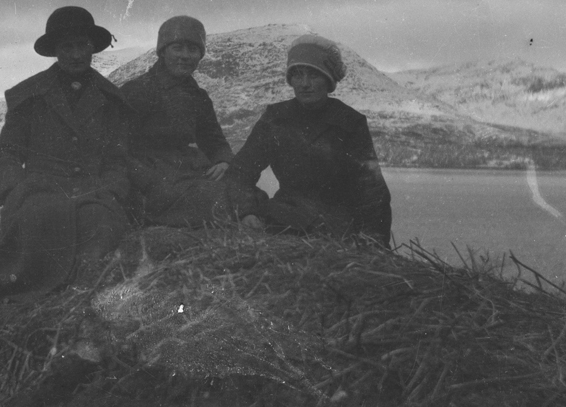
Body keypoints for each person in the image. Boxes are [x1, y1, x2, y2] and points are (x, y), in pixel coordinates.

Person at [0, 6, 131, 300]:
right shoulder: (29, 96)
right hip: (39, 191)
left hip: (93, 191)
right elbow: (8, 152)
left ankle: (75, 294)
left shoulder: (112, 100)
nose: (76, 55)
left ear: (92, 48)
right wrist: (14, 191)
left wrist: (112, 191)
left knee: (101, 227)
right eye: (67, 47)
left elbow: (117, 159)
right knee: (39, 222)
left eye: (82, 45)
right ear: (55, 51)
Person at [228, 34, 393, 247]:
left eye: (314, 75)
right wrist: (246, 211)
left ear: (328, 80)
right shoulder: (275, 118)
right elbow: (241, 170)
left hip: (338, 227)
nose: (305, 84)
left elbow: (373, 192)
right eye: (297, 75)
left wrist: (376, 244)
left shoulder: (350, 122)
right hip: (284, 219)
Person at [120, 16, 250, 227]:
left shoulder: (198, 96)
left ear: (200, 55)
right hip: (150, 178)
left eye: (192, 50)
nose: (185, 56)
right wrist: (148, 180)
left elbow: (214, 140)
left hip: (186, 171)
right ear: (163, 51)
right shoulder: (137, 91)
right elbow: (119, 148)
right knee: (213, 198)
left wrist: (223, 161)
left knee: (247, 191)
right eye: (177, 48)